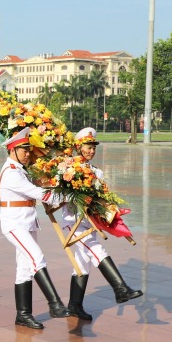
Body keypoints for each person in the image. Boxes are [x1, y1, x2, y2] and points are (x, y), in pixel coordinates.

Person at [61, 128, 143, 320]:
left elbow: (103, 196)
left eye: (93, 148)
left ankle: (74, 306)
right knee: (97, 251)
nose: (91, 151)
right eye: (88, 147)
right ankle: (120, 288)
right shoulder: (68, 168)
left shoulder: (97, 172)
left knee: (82, 265)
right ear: (78, 147)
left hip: (90, 222)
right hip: (72, 222)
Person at [0, 127, 70, 329]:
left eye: (29, 150)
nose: (28, 154)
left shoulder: (21, 170)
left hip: (26, 222)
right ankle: (54, 303)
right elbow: (37, 193)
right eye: (24, 150)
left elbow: (38, 190)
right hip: (14, 224)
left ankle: (23, 315)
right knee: (36, 258)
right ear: (12, 150)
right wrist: (64, 195)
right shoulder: (11, 172)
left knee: (24, 270)